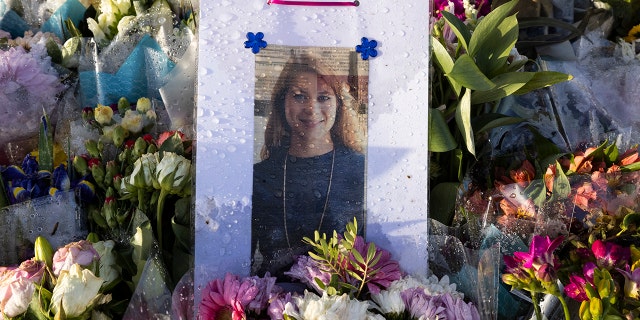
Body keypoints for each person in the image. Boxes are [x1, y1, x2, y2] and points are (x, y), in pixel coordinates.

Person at [252, 51, 366, 279]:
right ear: (282, 102)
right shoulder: (258, 176)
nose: (311, 108)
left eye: (323, 97)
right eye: (299, 96)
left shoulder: (362, 171)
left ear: (339, 105)